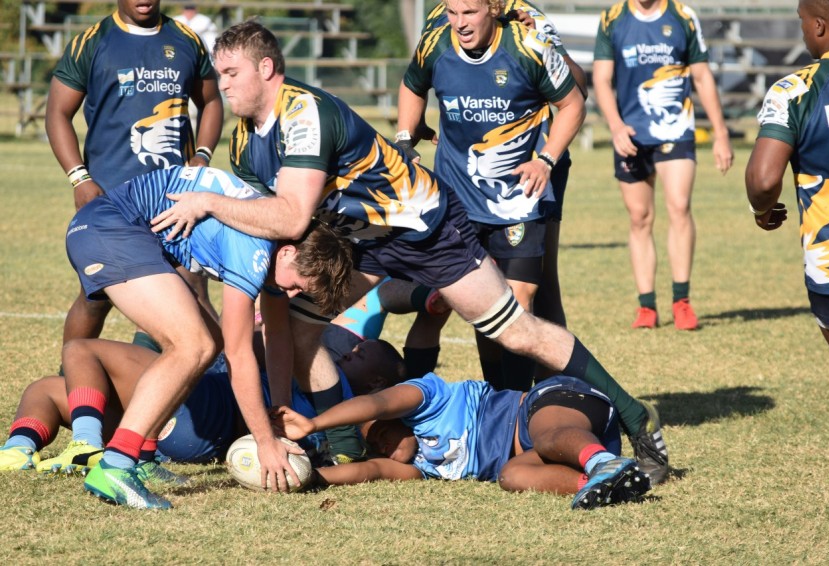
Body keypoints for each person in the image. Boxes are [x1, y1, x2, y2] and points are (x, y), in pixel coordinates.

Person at [150, 20, 670, 487]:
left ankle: (631, 414)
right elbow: (278, 234)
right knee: (297, 326)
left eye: (232, 72)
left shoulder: (303, 112)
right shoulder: (244, 144)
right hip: (357, 242)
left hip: (423, 228)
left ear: (266, 68)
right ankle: (340, 446)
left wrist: (208, 202)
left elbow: (290, 216)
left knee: (515, 330)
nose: (223, 84)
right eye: (219, 73)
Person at [65, 165, 352, 509]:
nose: (290, 294)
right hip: (108, 227)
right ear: (289, 252)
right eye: (296, 285)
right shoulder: (257, 248)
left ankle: (142, 455)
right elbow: (239, 354)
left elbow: (277, 335)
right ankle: (116, 464)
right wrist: (264, 442)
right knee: (193, 345)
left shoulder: (274, 242)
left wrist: (278, 412)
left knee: (207, 344)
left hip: (116, 227)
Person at [396, 0, 585, 392]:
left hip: (519, 193)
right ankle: (478, 399)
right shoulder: (436, 38)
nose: (459, 23)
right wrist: (405, 136)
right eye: (453, 12)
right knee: (462, 302)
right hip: (457, 194)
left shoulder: (528, 37)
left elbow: (574, 96)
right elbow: (413, 83)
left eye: (469, 13)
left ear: (493, 8)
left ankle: (527, 401)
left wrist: (546, 159)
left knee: (523, 299)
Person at [45, 0, 224, 349]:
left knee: (192, 289)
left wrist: (201, 156)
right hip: (111, 199)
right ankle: (70, 377)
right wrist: (80, 178)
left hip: (173, 196)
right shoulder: (93, 42)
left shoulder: (186, 39)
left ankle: (214, 389)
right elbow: (57, 113)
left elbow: (212, 101)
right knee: (98, 296)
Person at [0, 335, 406, 474]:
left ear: (378, 381)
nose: (351, 350)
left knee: (81, 350)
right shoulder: (328, 388)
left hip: (206, 404)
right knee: (48, 388)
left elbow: (392, 442)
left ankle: (86, 443)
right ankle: (18, 451)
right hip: (180, 438)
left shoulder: (351, 400)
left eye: (363, 352)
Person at [277, 371, 651, 510]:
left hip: (553, 406)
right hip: (548, 452)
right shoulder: (422, 467)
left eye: (380, 431)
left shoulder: (428, 397)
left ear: (395, 415)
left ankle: (601, 462)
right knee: (511, 477)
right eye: (374, 444)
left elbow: (375, 402)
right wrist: (308, 478)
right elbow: (372, 470)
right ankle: (607, 483)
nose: (381, 444)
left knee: (550, 437)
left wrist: (313, 424)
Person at [592, 0, 733, 330]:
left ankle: (682, 301)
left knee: (679, 206)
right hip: (631, 135)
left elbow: (701, 76)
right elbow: (601, 80)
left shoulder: (683, 16)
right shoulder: (612, 19)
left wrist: (721, 133)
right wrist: (615, 126)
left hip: (676, 129)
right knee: (640, 217)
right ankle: (646, 306)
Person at [745, 0, 829, 426]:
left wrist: (763, 210)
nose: (802, 30)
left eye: (803, 22)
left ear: (820, 27)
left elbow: (764, 179)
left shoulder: (796, 90)